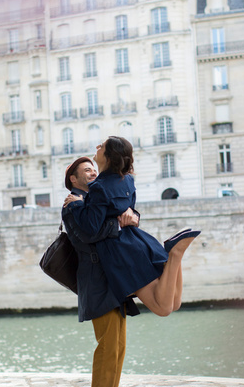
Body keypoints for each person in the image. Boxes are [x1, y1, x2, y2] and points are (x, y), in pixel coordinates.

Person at [64, 136, 200, 318]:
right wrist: (132, 215)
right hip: (138, 241)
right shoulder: (127, 180)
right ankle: (174, 256)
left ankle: (175, 254)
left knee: (163, 309)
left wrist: (78, 204)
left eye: (102, 146)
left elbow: (91, 227)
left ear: (109, 157)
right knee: (173, 303)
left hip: (122, 252)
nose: (97, 146)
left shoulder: (98, 187)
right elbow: (129, 210)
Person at [61, 156, 139, 387]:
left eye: (94, 167)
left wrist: (131, 218)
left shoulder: (99, 197)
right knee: (107, 348)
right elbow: (87, 235)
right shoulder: (72, 204)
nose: (93, 171)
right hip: (96, 283)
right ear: (73, 178)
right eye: (86, 170)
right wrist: (118, 224)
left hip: (114, 279)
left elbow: (129, 215)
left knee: (118, 348)